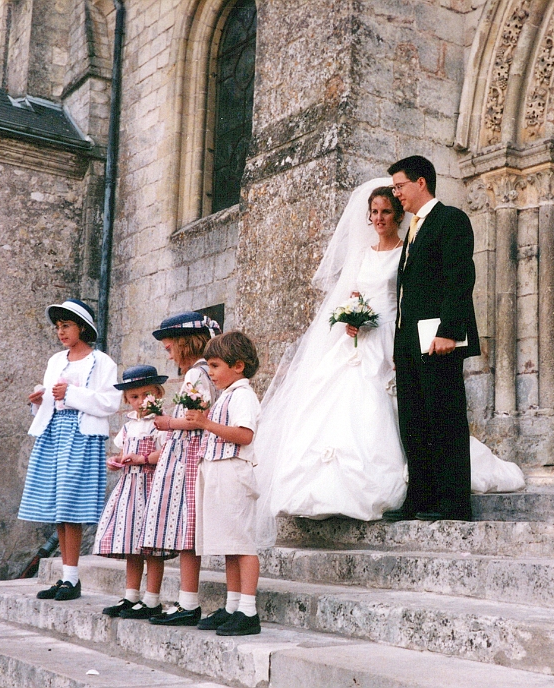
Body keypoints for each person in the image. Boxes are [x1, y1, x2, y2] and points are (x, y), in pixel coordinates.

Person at [255, 178, 523, 529]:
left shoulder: (407, 251)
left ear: (398, 215)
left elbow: (421, 294)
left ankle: (422, 486)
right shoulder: (363, 255)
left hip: (396, 338)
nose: (379, 218)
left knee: (406, 410)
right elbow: (352, 294)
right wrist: (350, 320)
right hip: (360, 341)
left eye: (386, 211)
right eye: (374, 213)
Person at [387, 155, 482, 522]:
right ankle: (420, 497)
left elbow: (460, 278)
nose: (397, 195)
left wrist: (449, 331)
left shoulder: (451, 220)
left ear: (421, 182)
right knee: (414, 420)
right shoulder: (412, 228)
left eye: (400, 186)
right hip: (410, 343)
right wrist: (399, 344)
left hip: (438, 338)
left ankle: (455, 501)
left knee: (445, 417)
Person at [19, 298, 122, 601]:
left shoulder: (103, 362)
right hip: (54, 433)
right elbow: (52, 400)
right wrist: (40, 401)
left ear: (82, 328)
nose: (61, 332)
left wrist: (72, 394)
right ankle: (67, 577)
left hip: (81, 435)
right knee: (57, 507)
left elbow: (109, 403)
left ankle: (72, 578)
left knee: (71, 506)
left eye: (66, 326)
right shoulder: (55, 361)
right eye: (58, 327)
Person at [186, 331, 263, 636]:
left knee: (242, 542)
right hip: (218, 469)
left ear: (239, 366)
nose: (211, 373)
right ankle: (232, 605)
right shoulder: (228, 394)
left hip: (233, 470)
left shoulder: (243, 395)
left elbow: (244, 435)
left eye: (216, 366)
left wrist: (205, 423)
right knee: (229, 544)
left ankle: (248, 610)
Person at [141, 312, 215, 626]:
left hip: (189, 457)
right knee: (186, 530)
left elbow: (197, 418)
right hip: (188, 453)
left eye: (170, 347)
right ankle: (186, 600)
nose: (168, 352)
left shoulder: (197, 375)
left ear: (185, 344)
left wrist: (168, 423)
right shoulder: (204, 372)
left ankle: (189, 602)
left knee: (186, 527)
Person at [93, 365, 169, 618]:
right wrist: (117, 461)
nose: (140, 401)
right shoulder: (128, 427)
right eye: (134, 397)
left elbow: (166, 453)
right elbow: (123, 453)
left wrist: (142, 458)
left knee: (151, 545)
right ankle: (131, 595)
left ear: (158, 394)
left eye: (146, 395)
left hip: (151, 489)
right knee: (131, 544)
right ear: (127, 399)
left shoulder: (160, 424)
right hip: (130, 489)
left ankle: (152, 599)